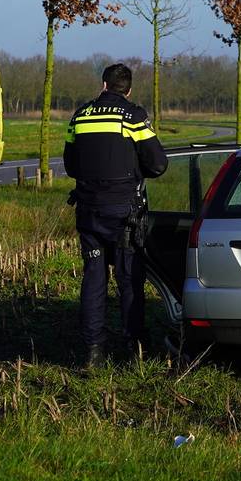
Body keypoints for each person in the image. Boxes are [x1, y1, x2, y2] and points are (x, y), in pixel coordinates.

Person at [63, 63, 167, 368]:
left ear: (103, 84)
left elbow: (71, 165)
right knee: (128, 279)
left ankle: (93, 350)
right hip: (124, 213)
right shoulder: (133, 116)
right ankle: (135, 348)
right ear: (129, 89)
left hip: (88, 210)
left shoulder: (79, 116)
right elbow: (158, 164)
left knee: (93, 280)